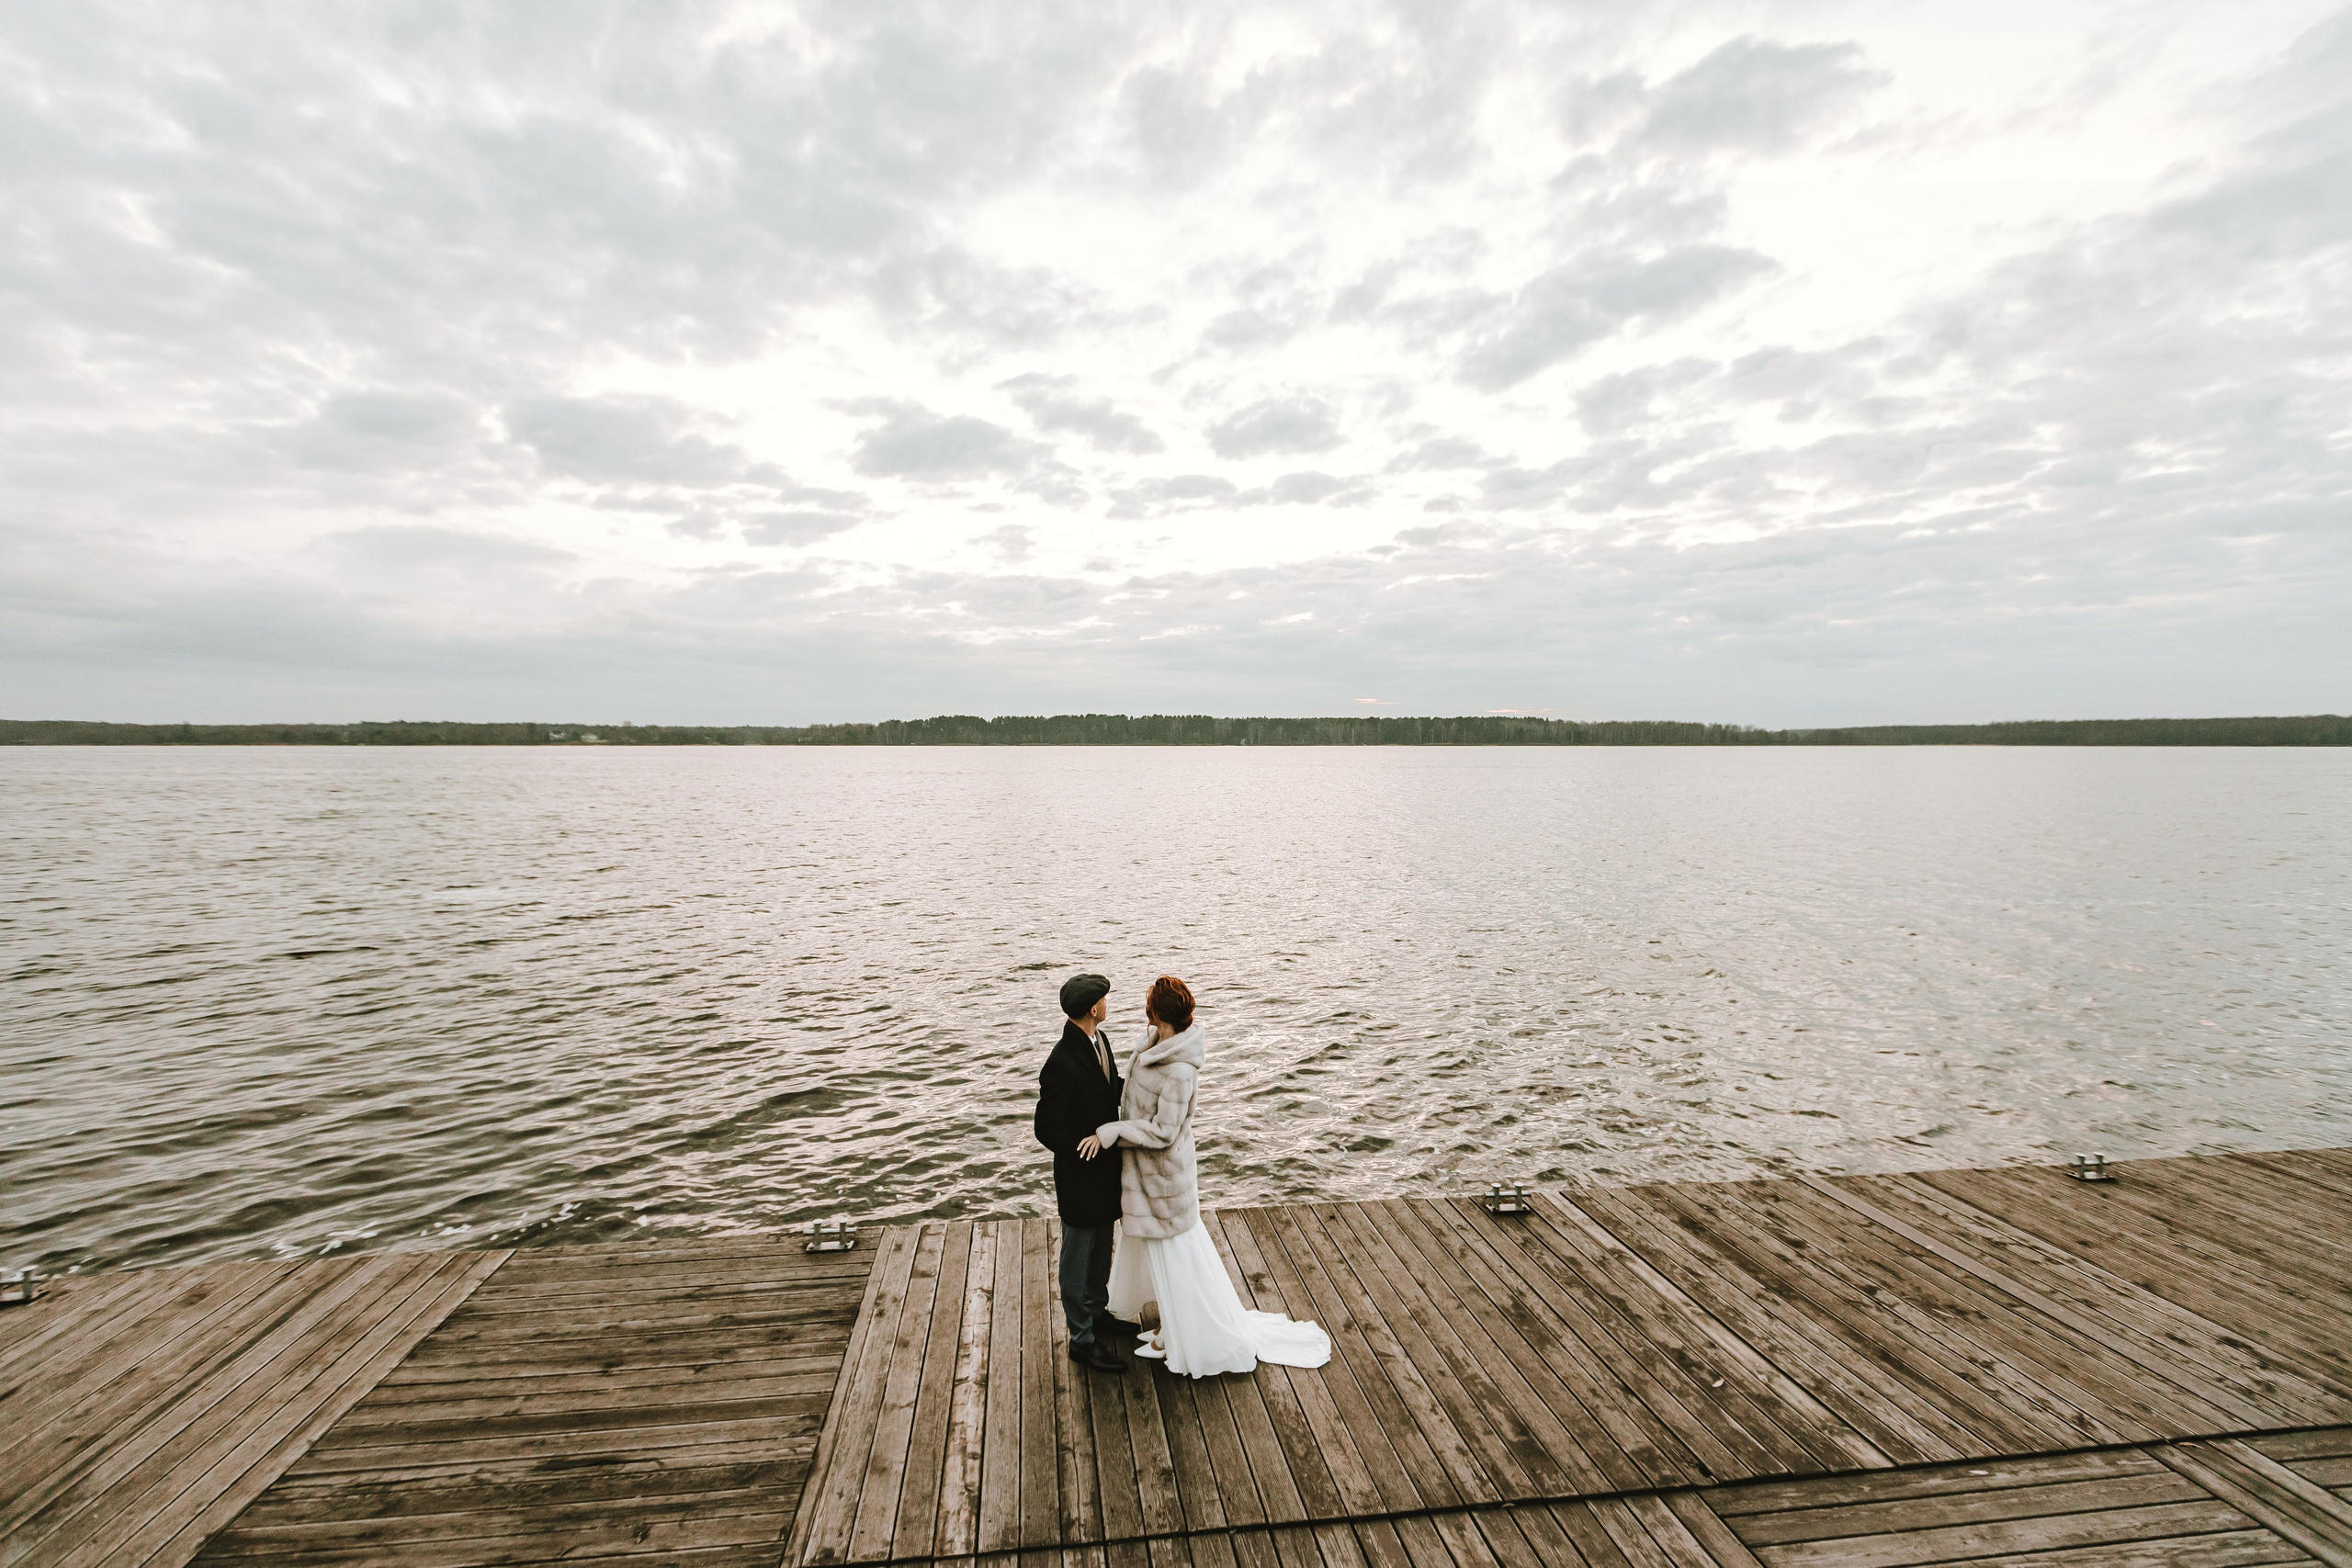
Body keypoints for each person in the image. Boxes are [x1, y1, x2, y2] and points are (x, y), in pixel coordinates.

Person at [1097, 976, 1332, 1378]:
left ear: (1158, 1012)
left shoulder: (1180, 1070)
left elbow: (1164, 1131)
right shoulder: (1153, 1044)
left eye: (1149, 1002)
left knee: (1176, 1258)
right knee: (1165, 1256)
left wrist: (1117, 1130)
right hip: (1147, 1177)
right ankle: (1171, 1325)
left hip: (1164, 1179)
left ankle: (1180, 1334)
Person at [1034, 972, 1133, 1373]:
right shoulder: (1060, 1061)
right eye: (1105, 1001)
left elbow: (1111, 1087)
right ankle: (1081, 1339)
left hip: (1106, 1171)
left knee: (1101, 1250)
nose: (1108, 1005)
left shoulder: (1099, 1040)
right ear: (1094, 1009)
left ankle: (1097, 1312)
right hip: (1080, 1176)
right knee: (1076, 1258)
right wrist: (1084, 1146)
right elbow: (1046, 1128)